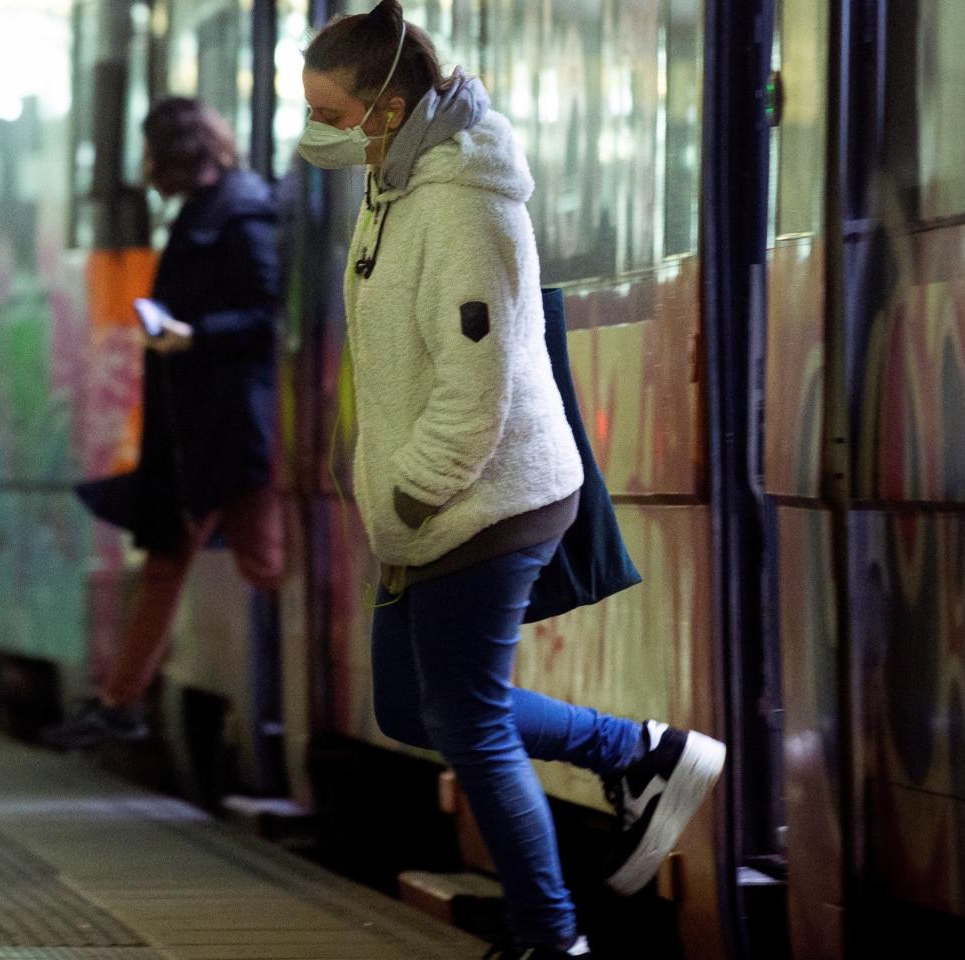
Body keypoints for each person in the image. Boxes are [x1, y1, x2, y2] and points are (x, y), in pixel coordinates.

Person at [299, 4, 725, 957]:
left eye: (330, 112)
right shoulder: (395, 180)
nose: (314, 134)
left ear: (391, 105)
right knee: (408, 708)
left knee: (471, 721)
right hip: (425, 508)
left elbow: (477, 382)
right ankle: (639, 754)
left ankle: (549, 937)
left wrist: (410, 489)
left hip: (484, 498)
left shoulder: (461, 204)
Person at [49, 98, 284, 750]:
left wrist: (192, 334)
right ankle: (119, 703)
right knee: (172, 561)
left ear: (173, 154)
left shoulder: (241, 213)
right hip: (193, 431)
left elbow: (267, 316)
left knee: (264, 563)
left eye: (151, 154)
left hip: (231, 430)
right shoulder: (207, 212)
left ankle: (289, 704)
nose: (145, 169)